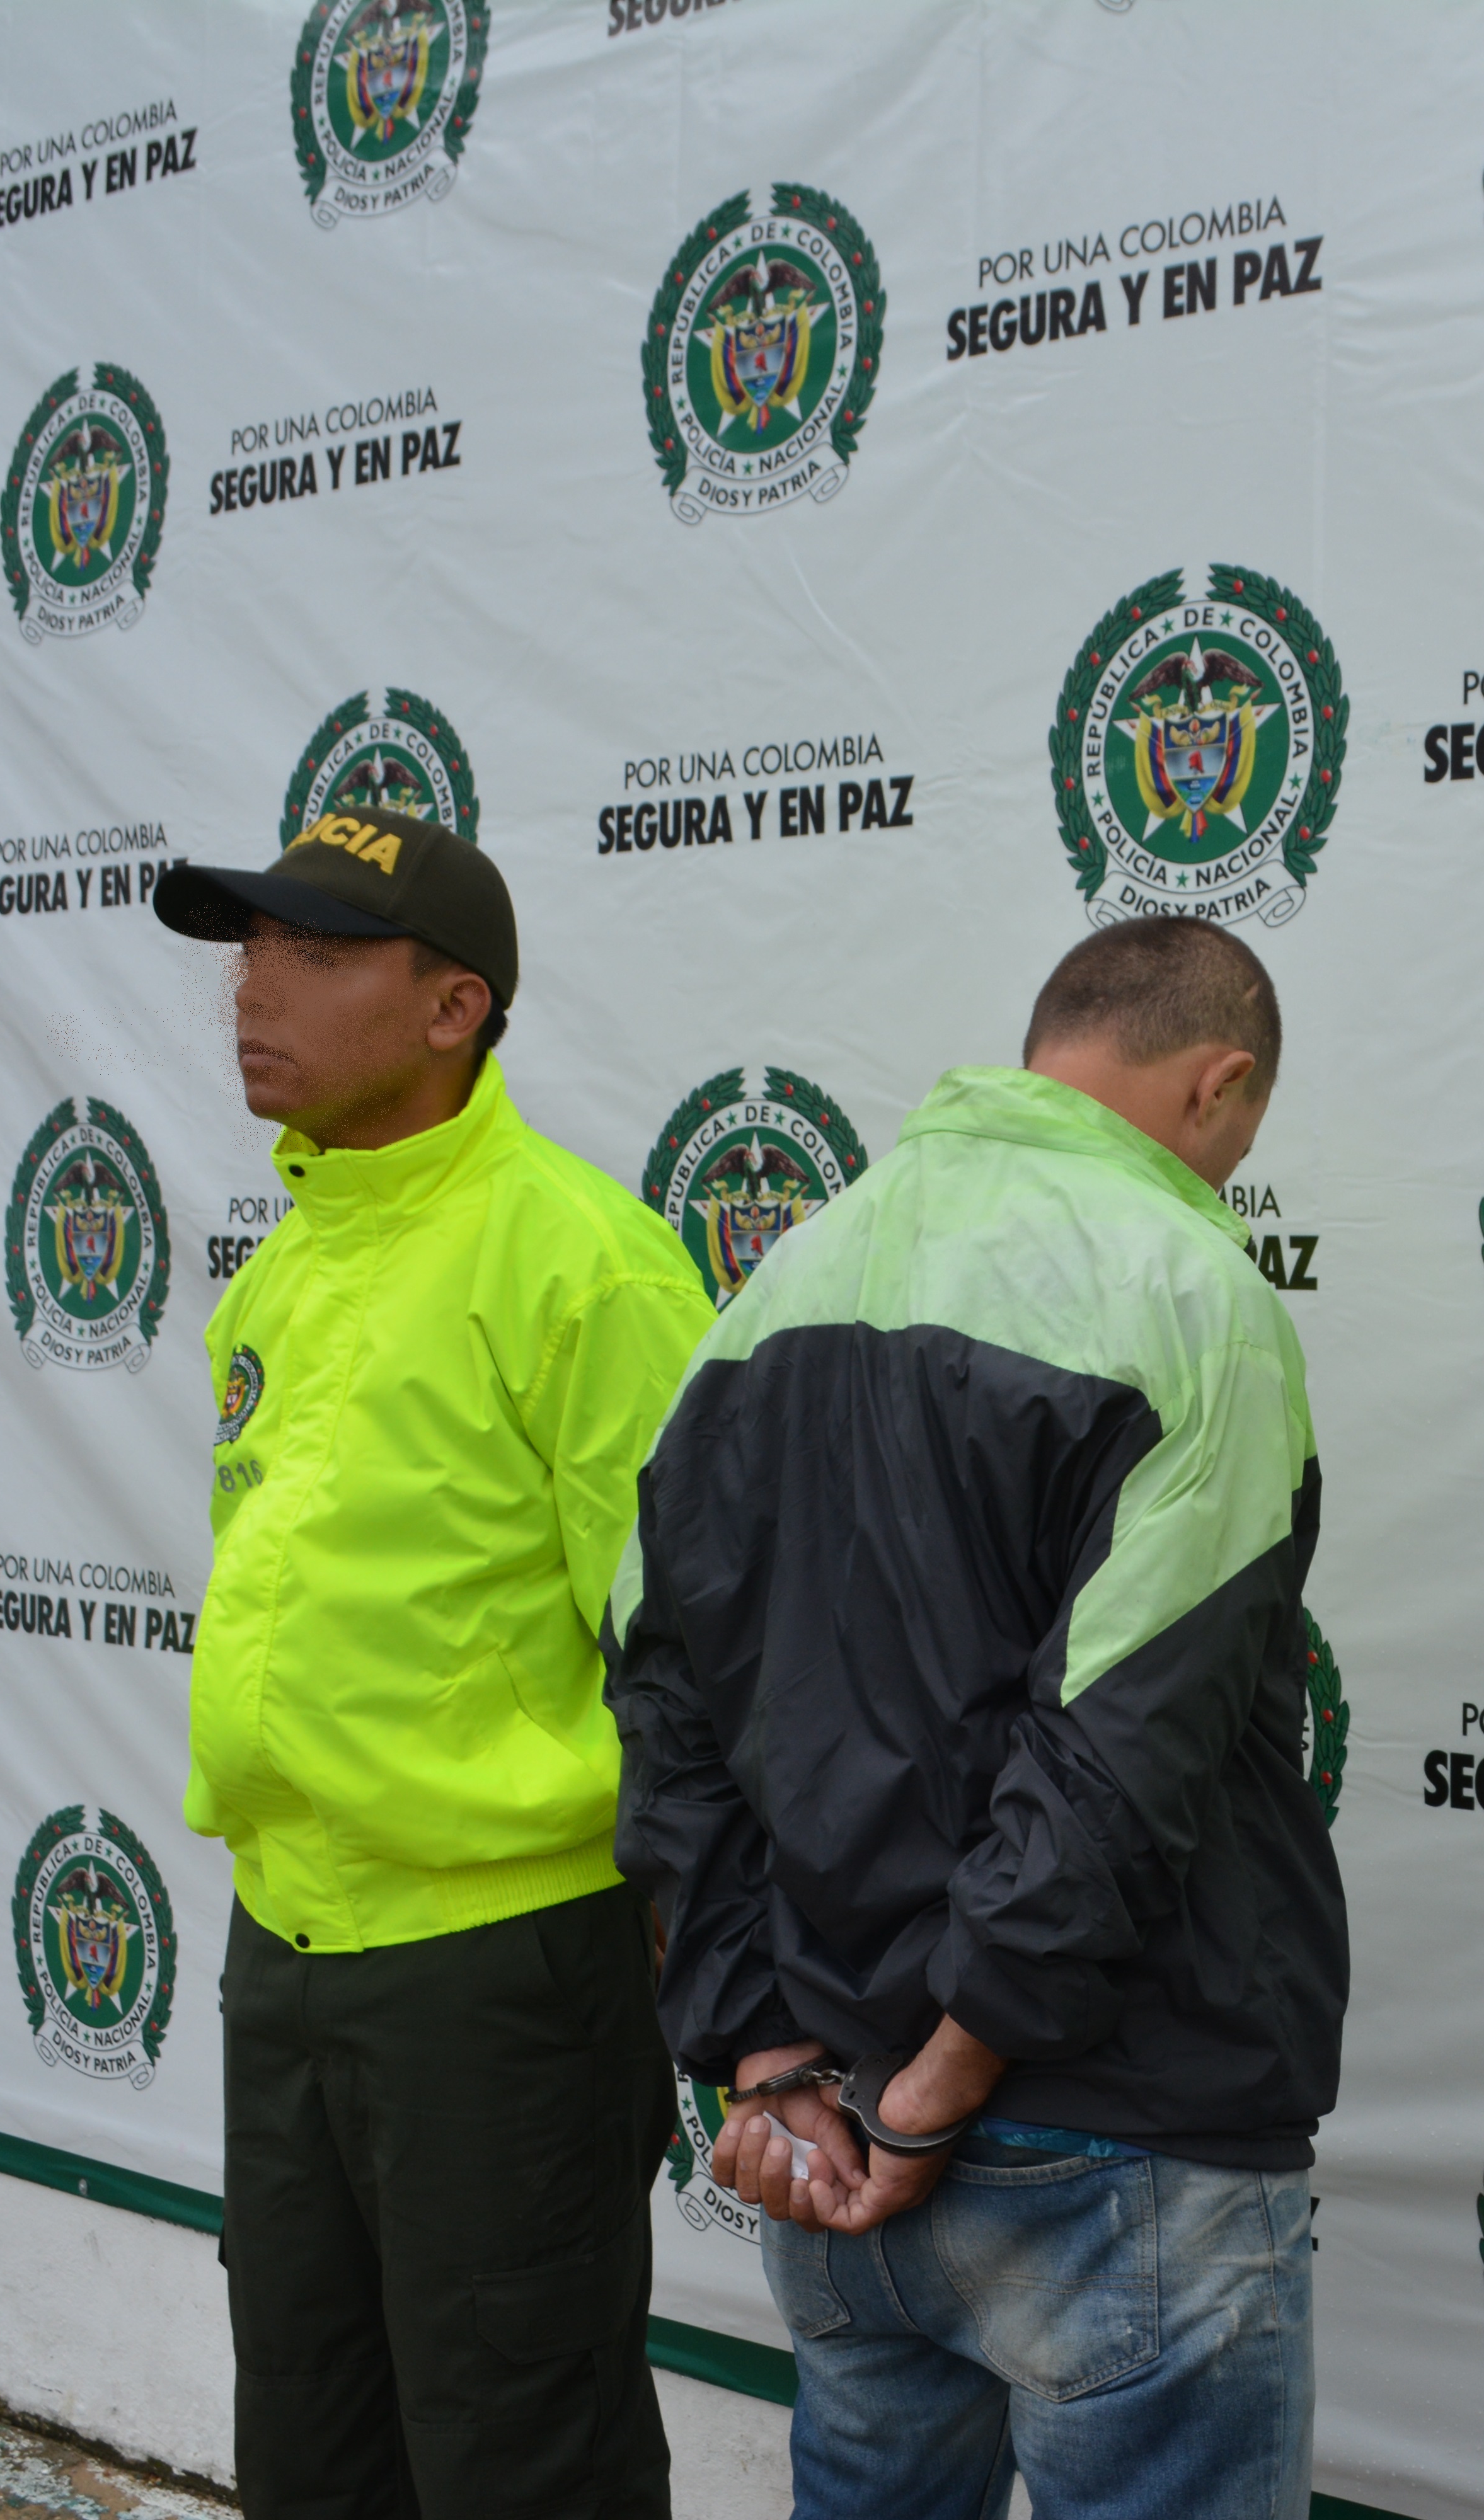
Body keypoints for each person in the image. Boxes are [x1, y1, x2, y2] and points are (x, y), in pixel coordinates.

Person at [606, 915, 1340, 2520]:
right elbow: (1125, 1749)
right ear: (1223, 1084)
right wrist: (938, 2078)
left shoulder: (772, 1287)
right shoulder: (1190, 1287)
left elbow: (664, 1697)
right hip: (1108, 2135)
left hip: (827, 2128)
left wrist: (766, 2049)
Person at [155, 803, 713, 2519]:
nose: (257, 990)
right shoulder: (289, 1265)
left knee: (519, 2461)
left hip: (499, 1976)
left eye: (317, 954)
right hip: (288, 1944)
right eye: (252, 948)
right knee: (314, 2449)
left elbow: (694, 1652)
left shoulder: (583, 1262)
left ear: (454, 1007)